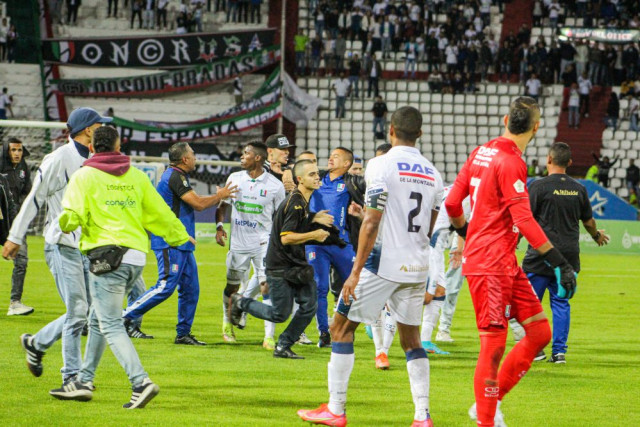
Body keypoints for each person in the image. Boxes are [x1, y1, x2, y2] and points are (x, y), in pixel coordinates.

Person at [298, 106, 444, 427]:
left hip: (383, 263)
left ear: (390, 130)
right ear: (419, 133)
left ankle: (336, 409)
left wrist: (354, 271)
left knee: (340, 328)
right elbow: (425, 226)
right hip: (417, 265)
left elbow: (374, 220)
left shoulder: (381, 164)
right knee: (411, 340)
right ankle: (422, 416)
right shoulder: (434, 172)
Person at [445, 97, 577, 426]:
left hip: (502, 262)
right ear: (536, 126)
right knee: (493, 345)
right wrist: (559, 261)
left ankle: (486, 405)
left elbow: (451, 203)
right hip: (490, 264)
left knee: (539, 333)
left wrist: (467, 231)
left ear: (505, 120)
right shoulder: (511, 163)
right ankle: (486, 420)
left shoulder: (480, 152)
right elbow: (525, 219)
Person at [49, 125, 192, 407]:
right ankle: (84, 380)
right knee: (98, 319)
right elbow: (159, 213)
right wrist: (179, 236)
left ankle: (140, 382)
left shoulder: (84, 176)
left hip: (107, 258)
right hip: (136, 257)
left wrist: (64, 224)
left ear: (91, 147)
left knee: (111, 323)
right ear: (118, 147)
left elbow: (72, 216)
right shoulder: (137, 176)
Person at [2, 107, 112, 393]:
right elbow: (34, 199)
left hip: (88, 249)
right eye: (101, 125)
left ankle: (36, 343)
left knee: (89, 312)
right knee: (78, 310)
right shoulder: (59, 158)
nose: (105, 129)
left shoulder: (97, 160)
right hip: (62, 245)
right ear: (88, 129)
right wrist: (15, 235)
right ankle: (71, 378)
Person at [122, 142, 238, 345]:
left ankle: (183, 334)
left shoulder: (178, 176)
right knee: (166, 286)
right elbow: (199, 204)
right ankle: (122, 317)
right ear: (184, 159)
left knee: (191, 289)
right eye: (193, 154)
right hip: (169, 241)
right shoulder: (174, 176)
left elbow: (197, 200)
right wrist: (219, 196)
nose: (195, 157)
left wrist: (218, 197)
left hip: (182, 242)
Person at [227, 160, 334, 359]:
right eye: (312, 174)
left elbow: (296, 219)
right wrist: (314, 235)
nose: (317, 177)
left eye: (317, 173)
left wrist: (313, 217)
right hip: (281, 266)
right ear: (300, 179)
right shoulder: (295, 202)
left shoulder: (301, 200)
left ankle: (283, 345)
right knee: (279, 314)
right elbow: (286, 237)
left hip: (296, 264)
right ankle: (241, 302)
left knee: (310, 306)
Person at [523, 142, 609, 364]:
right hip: (568, 257)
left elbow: (525, 219)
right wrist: (596, 236)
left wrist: (514, 240)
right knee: (561, 303)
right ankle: (559, 352)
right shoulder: (579, 189)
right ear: (569, 163)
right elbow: (588, 221)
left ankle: (537, 349)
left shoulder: (537, 186)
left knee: (530, 302)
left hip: (541, 254)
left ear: (548, 160)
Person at [217, 142, 285, 347]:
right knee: (232, 285)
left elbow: (280, 216)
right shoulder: (234, 179)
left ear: (258, 158)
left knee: (267, 287)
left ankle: (269, 336)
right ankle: (227, 323)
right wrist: (220, 226)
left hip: (264, 242)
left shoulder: (275, 185)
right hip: (238, 243)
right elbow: (223, 206)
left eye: (246, 153)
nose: (242, 156)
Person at [306, 147, 365, 348]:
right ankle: (324, 333)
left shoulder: (352, 183)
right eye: (330, 155)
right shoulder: (316, 178)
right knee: (319, 287)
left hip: (341, 243)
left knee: (353, 287)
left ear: (347, 164)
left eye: (336, 156)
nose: (330, 158)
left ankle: (344, 327)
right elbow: (298, 173)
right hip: (316, 242)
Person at [1, 137, 33, 315]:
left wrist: (22, 214)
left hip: (15, 222)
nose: (17, 153)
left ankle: (15, 303)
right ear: (6, 151)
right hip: (0, 219)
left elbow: (27, 192)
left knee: (21, 261)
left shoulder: (23, 168)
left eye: (19, 150)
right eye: (13, 150)